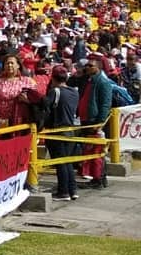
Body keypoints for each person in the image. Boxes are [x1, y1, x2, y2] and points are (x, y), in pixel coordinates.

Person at [43, 65, 80, 201]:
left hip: (57, 131)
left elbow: (45, 105)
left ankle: (63, 192)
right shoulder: (74, 92)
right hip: (70, 130)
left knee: (60, 162)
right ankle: (72, 189)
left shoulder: (55, 92)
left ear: (53, 78)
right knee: (68, 161)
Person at [78, 54, 113, 189]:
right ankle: (95, 177)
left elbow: (105, 104)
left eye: (90, 66)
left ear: (98, 67)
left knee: (97, 152)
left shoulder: (103, 82)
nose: (87, 67)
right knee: (90, 151)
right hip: (86, 120)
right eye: (86, 65)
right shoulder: (89, 80)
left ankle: (99, 178)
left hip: (94, 122)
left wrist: (100, 123)